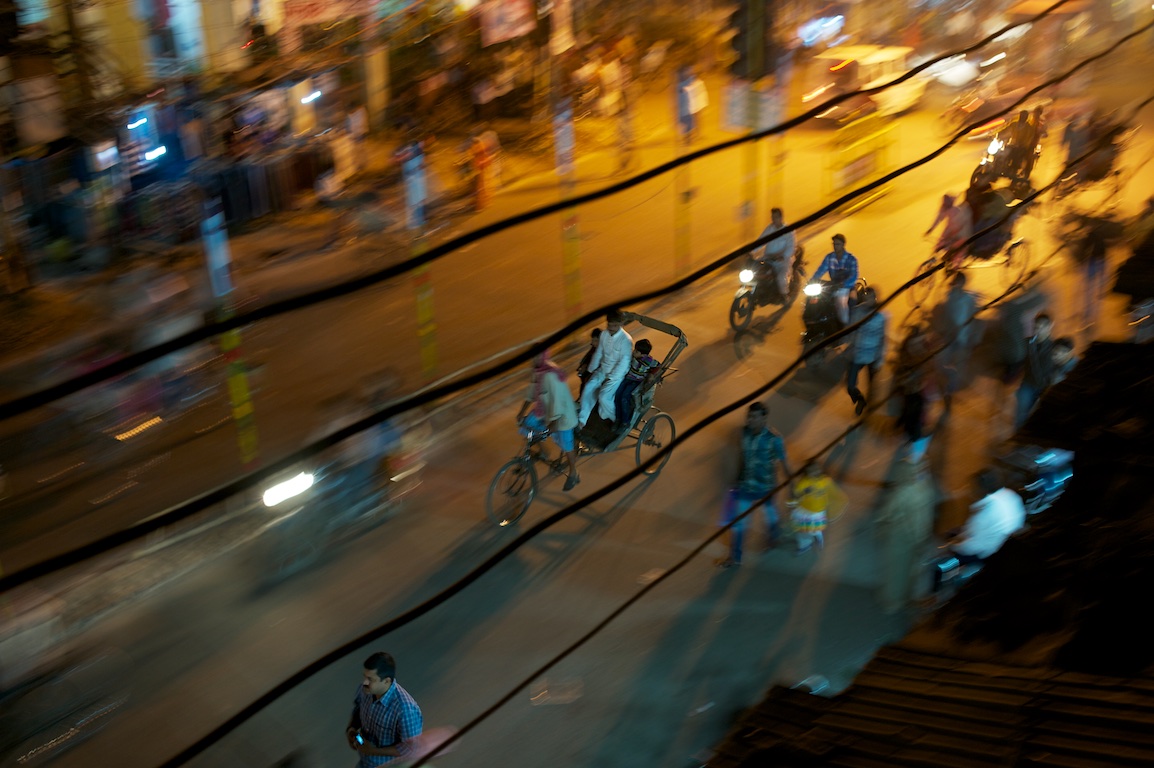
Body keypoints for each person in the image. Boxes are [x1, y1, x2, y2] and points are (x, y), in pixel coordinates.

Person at [717, 402, 795, 567]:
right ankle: (735, 557)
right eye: (748, 416)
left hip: (766, 488)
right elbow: (742, 458)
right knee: (739, 523)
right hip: (745, 487)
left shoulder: (774, 439)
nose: (749, 420)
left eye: (754, 417)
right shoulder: (744, 433)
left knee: (771, 517)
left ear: (764, 418)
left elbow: (784, 463)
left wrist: (792, 486)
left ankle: (774, 537)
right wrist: (737, 479)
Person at [875, 457, 935, 615]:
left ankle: (892, 602)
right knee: (909, 571)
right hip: (915, 539)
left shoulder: (903, 491)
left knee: (896, 572)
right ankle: (905, 598)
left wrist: (881, 528)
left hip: (900, 538)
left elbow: (887, 513)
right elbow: (924, 518)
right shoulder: (925, 488)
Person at [515, 351, 581, 490]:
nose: (534, 359)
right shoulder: (537, 371)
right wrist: (521, 412)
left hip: (562, 413)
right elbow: (531, 393)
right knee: (527, 426)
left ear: (544, 356)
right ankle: (543, 451)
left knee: (566, 444)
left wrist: (554, 423)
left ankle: (574, 473)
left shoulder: (551, 375)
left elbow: (559, 400)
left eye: (537, 355)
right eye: (533, 356)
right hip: (544, 409)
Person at [347, 651, 423, 767]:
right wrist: (351, 728)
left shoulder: (405, 710)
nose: (365, 682)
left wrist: (373, 751)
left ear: (386, 681)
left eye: (370, 679)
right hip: (366, 762)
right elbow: (358, 708)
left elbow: (411, 749)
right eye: (364, 677)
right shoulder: (366, 690)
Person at [950, 469, 1026, 561]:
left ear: (981, 489)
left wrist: (953, 546)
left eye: (972, 487)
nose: (969, 490)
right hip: (1000, 543)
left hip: (982, 551)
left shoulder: (982, 515)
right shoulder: (1010, 495)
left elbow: (972, 546)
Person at [578, 309, 634, 429]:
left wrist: (611, 378)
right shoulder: (604, 334)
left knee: (604, 397)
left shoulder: (626, 340)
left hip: (616, 376)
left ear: (620, 324)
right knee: (588, 387)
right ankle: (582, 420)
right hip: (603, 369)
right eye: (609, 324)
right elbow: (599, 353)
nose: (611, 327)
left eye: (614, 325)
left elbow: (624, 362)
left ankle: (617, 419)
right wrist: (591, 369)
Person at [846, 286, 887, 416]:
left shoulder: (881, 316)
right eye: (866, 298)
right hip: (857, 354)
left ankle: (869, 406)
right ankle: (860, 400)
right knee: (850, 385)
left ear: (875, 298)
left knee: (872, 385)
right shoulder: (857, 312)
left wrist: (880, 358)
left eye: (870, 298)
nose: (868, 301)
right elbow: (851, 330)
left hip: (872, 356)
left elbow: (883, 338)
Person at [938, 271, 979, 397]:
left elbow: (971, 316)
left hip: (960, 336)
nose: (957, 284)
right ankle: (951, 380)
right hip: (952, 335)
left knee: (957, 361)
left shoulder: (965, 298)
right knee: (945, 361)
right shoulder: (953, 295)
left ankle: (952, 384)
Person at [788, 461, 838, 555]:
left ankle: (817, 537)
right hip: (804, 511)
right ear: (807, 472)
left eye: (816, 470)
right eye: (811, 471)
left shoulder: (825, 481)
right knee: (802, 531)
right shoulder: (803, 483)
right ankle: (805, 545)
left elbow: (831, 493)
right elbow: (796, 495)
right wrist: (804, 493)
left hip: (816, 512)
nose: (814, 472)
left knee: (813, 530)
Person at [1015, 312, 1054, 429]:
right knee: (1021, 414)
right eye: (1037, 326)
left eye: (1043, 326)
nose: (1039, 330)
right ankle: (1019, 440)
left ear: (1050, 327)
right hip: (1027, 384)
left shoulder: (1053, 346)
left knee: (1040, 418)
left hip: (1045, 387)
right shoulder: (1027, 342)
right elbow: (1017, 359)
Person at [810, 233, 859, 326]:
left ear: (843, 245)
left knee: (841, 304)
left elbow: (854, 276)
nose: (835, 246)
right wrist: (812, 280)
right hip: (833, 285)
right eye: (834, 244)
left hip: (846, 287)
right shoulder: (829, 258)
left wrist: (843, 284)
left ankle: (846, 327)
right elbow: (821, 270)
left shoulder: (851, 259)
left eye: (838, 244)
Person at [613, 338, 659, 430]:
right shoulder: (633, 357)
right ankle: (618, 418)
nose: (634, 352)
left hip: (637, 382)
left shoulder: (648, 361)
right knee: (617, 394)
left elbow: (658, 366)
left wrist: (651, 375)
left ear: (643, 354)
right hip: (628, 378)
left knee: (624, 397)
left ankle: (625, 422)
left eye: (636, 351)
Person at [756, 207, 796, 298]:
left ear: (781, 217)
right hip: (768, 258)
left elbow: (791, 246)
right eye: (772, 217)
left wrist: (783, 256)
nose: (774, 219)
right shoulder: (770, 228)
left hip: (782, 261)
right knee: (756, 270)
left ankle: (785, 295)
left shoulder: (788, 231)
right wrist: (750, 252)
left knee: (781, 277)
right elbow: (760, 241)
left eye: (776, 217)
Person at [924, 194, 973, 261]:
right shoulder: (945, 208)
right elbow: (938, 218)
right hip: (951, 229)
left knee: (953, 246)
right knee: (940, 243)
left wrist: (950, 235)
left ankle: (951, 259)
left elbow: (959, 226)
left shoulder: (956, 211)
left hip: (961, 232)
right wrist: (931, 229)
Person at [576, 328, 602, 398]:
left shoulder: (603, 350)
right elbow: (587, 358)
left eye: (596, 341)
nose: (593, 343)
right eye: (593, 340)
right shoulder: (594, 349)